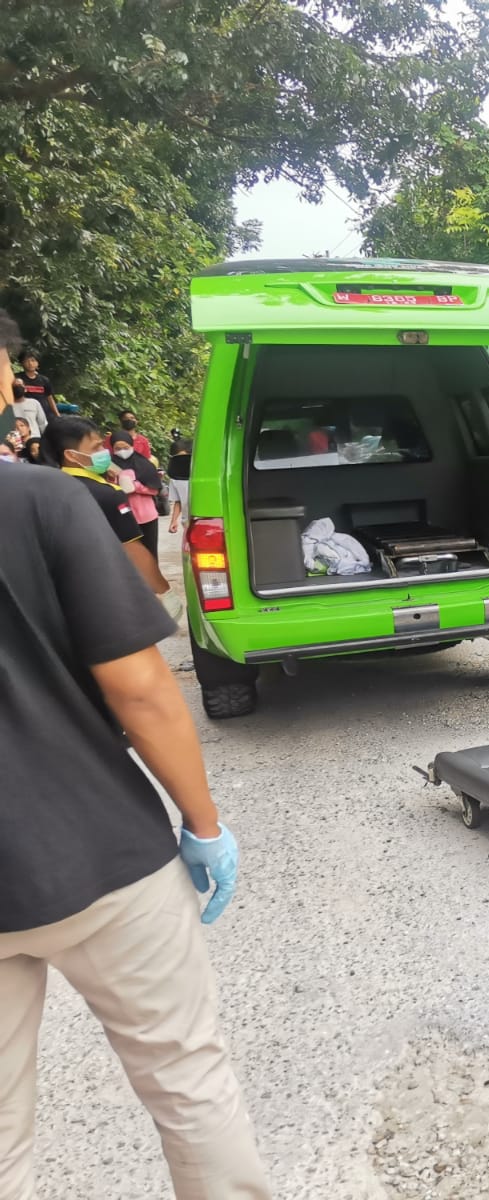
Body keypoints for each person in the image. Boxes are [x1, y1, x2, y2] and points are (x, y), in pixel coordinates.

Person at [0, 462, 271, 1197]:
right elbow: (139, 687)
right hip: (103, 854)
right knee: (188, 1081)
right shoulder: (38, 498)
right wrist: (203, 822)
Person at [41, 417, 182, 620]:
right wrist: (165, 592)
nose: (104, 452)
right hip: (100, 593)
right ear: (71, 455)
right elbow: (133, 550)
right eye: (96, 447)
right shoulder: (106, 494)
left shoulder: (44, 487)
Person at [113, 428, 164, 558]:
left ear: (131, 446)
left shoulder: (144, 465)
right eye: (117, 448)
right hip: (124, 515)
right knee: (129, 554)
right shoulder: (110, 466)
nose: (122, 451)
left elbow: (154, 489)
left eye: (125, 447)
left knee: (150, 552)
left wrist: (135, 486)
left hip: (147, 516)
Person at [14, 352, 58, 426]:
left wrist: (57, 415)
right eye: (27, 361)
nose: (30, 363)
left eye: (33, 360)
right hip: (25, 415)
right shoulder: (17, 378)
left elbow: (50, 399)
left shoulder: (44, 380)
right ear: (21, 363)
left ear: (37, 363)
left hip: (44, 415)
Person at [167, 435, 194, 534]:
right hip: (186, 523)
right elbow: (178, 501)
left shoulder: (201, 476)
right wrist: (173, 521)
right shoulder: (174, 478)